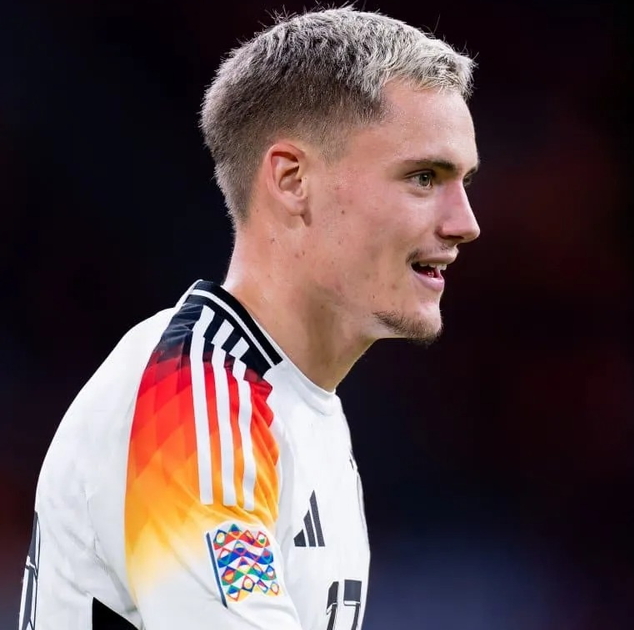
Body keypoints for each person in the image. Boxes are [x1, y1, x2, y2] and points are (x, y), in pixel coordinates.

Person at [19, 7, 480, 629]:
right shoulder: (196, 400)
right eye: (424, 177)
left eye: (464, 181)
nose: (465, 223)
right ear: (292, 180)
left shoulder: (291, 402)